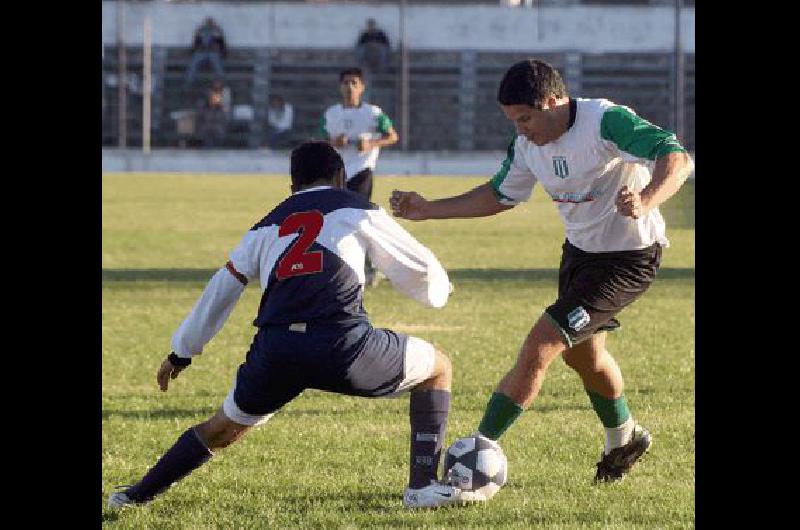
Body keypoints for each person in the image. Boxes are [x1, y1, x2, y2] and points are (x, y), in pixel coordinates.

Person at [107, 142, 467, 510]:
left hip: (277, 350)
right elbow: (416, 265)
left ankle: (133, 496)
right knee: (438, 369)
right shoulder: (357, 208)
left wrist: (182, 351)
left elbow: (223, 289)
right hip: (341, 346)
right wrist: (439, 290)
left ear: (292, 186)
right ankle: (422, 486)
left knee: (222, 429)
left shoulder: (266, 225)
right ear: (341, 176)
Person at [390, 59, 694, 484]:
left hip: (627, 258)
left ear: (555, 101)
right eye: (514, 120)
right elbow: (499, 195)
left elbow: (676, 157)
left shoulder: (604, 120)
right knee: (584, 356)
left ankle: (474, 456)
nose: (521, 129)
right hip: (579, 256)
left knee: (541, 346)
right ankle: (623, 437)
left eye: (526, 118)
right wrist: (428, 210)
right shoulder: (527, 146)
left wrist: (646, 198)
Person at [320, 67, 399, 286]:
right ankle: (341, 265)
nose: (350, 87)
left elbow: (392, 136)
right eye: (346, 83)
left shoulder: (373, 113)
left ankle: (369, 266)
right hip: (338, 173)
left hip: (362, 172)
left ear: (362, 87)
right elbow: (321, 139)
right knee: (337, 220)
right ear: (340, 86)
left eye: (354, 83)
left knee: (357, 219)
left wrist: (371, 144)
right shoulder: (331, 114)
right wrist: (333, 143)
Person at [185, 17, 227, 86]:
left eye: (210, 23)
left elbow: (222, 43)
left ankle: (221, 82)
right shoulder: (200, 31)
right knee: (194, 63)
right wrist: (193, 51)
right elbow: (196, 43)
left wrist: (223, 52)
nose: (209, 25)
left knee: (217, 64)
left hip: (213, 52)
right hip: (201, 52)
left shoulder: (217, 31)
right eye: (207, 23)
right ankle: (189, 82)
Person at [196, 79, 229, 148]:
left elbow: (225, 117)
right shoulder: (204, 101)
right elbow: (200, 116)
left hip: (218, 124)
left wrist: (217, 106)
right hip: (206, 124)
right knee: (206, 130)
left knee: (218, 131)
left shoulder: (224, 95)